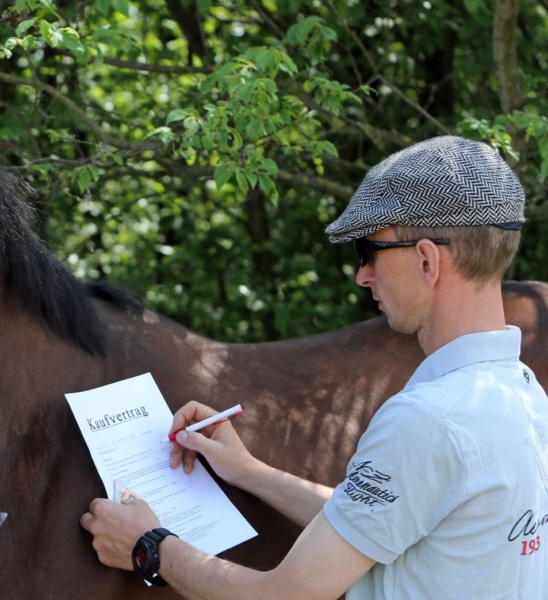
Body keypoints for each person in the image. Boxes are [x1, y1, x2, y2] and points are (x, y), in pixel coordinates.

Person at [80, 135, 548, 598]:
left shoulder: (428, 421)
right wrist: (247, 471)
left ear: (426, 260)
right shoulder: (522, 396)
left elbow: (282, 594)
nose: (363, 274)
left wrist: (150, 545)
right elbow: (377, 519)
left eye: (370, 251)